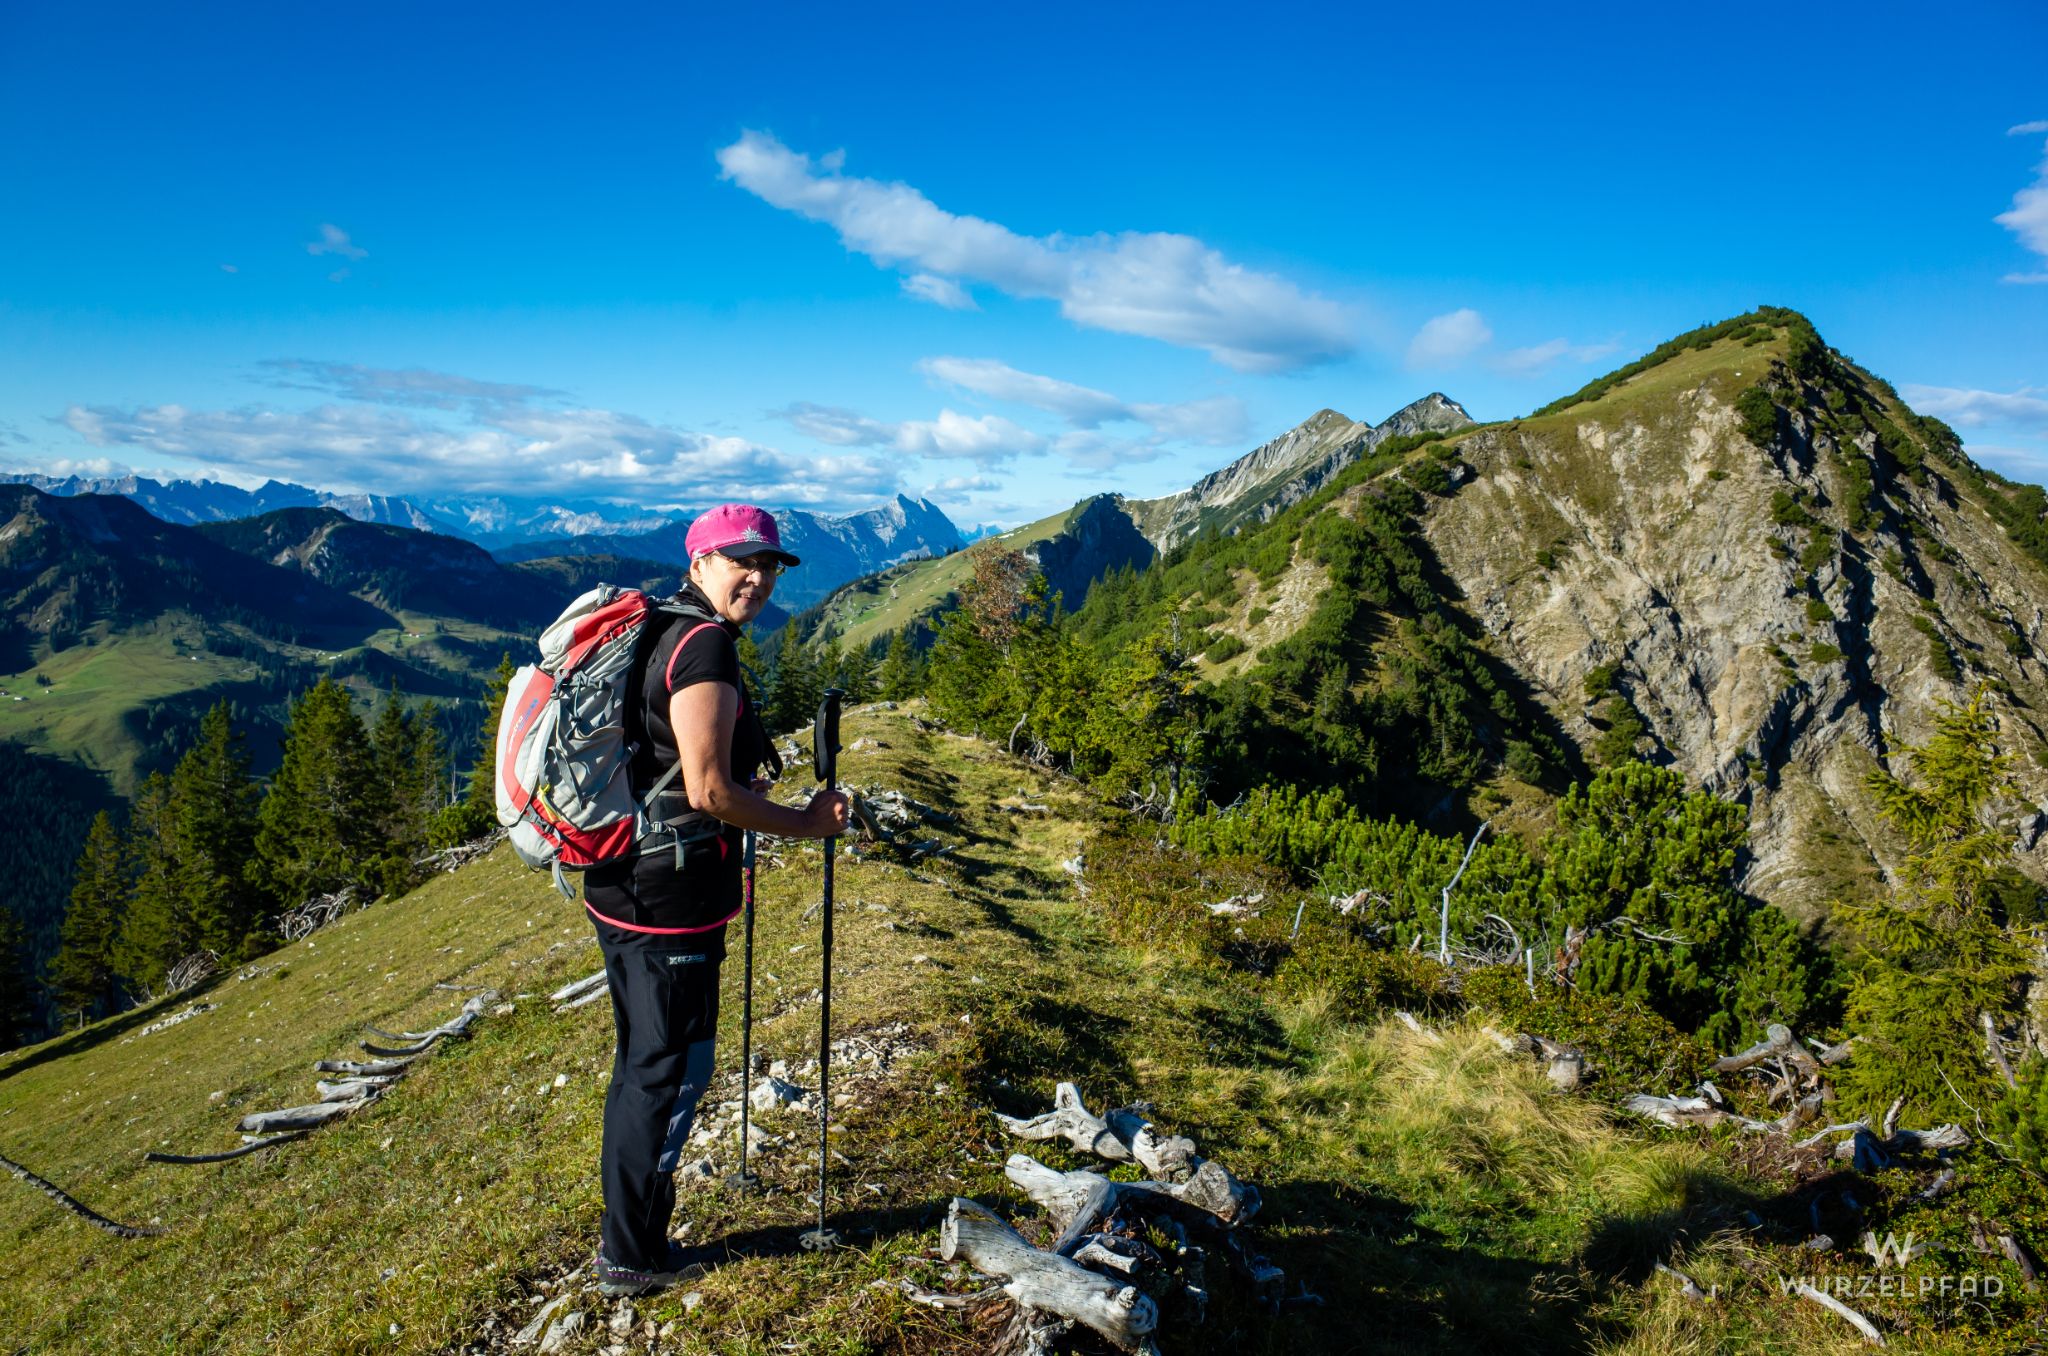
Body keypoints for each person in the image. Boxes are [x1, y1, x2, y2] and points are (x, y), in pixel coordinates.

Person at [583, 503, 849, 1297]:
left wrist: (735, 786)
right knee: (666, 1073)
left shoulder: (662, 626)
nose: (759, 579)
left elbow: (672, 762)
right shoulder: (705, 649)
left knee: (643, 1066)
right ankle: (631, 1257)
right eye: (743, 562)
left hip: (627, 878)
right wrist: (804, 821)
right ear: (698, 563)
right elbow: (707, 791)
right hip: (668, 899)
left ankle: (631, 1237)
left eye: (770, 566)